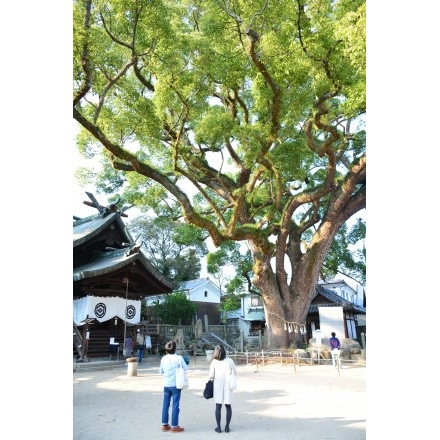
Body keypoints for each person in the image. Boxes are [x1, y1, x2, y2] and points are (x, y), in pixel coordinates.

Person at [159, 340, 188, 433]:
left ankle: (164, 424)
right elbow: (186, 368)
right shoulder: (179, 358)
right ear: (175, 348)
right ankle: (174, 426)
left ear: (166, 350)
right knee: (175, 405)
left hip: (166, 384)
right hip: (176, 385)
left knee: (165, 405)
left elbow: (161, 371)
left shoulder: (163, 359)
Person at [208, 344, 237, 433]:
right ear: (224, 351)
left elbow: (211, 375)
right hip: (228, 385)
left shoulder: (214, 362)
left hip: (218, 385)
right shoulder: (230, 361)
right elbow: (235, 372)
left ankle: (218, 427)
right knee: (228, 406)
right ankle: (227, 427)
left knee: (218, 406)